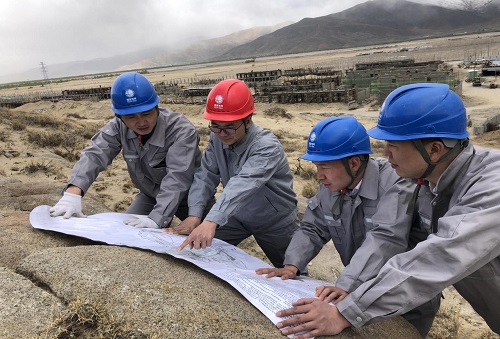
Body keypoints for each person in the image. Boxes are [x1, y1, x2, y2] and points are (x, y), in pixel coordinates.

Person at [275, 83, 500, 338]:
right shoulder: (421, 180)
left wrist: (346, 312)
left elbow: (443, 254)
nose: (384, 153)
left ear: (434, 150)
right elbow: (386, 235)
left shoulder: (491, 186)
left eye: (394, 145)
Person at [255, 116, 438, 337]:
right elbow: (312, 228)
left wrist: (346, 284)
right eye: (316, 166)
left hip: (405, 293)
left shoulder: (396, 181)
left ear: (353, 163)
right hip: (359, 287)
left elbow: (386, 237)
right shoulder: (331, 185)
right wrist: (292, 264)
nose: (319, 175)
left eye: (324, 167)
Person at [165, 79, 299, 268]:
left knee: (290, 270)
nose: (222, 133)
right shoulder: (217, 138)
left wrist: (211, 220)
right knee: (201, 253)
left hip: (274, 220)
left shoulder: (267, 147)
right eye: (216, 126)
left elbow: (243, 184)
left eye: (229, 127)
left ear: (248, 120)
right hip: (237, 215)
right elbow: (206, 175)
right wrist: (194, 215)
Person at [50, 71, 204, 228]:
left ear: (156, 107)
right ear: (119, 117)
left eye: (146, 113)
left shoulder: (181, 130)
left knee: (216, 239)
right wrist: (73, 193)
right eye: (131, 117)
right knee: (125, 231)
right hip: (150, 195)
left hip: (191, 197)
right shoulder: (118, 127)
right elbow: (95, 155)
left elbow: (178, 178)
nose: (141, 122)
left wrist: (156, 220)